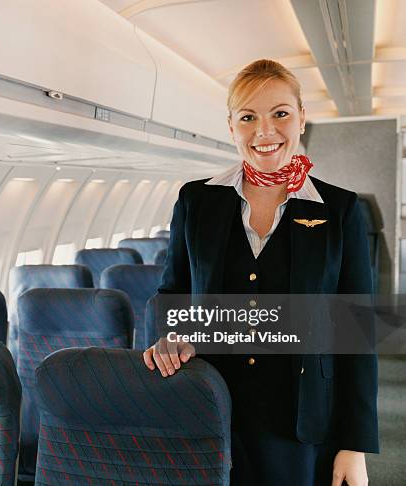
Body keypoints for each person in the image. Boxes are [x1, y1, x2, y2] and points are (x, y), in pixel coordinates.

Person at [143, 59, 378, 486]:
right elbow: (171, 293)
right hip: (211, 412)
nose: (264, 131)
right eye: (248, 117)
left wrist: (354, 443)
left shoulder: (340, 210)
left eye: (280, 113)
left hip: (302, 420)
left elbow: (357, 334)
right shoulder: (197, 202)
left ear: (302, 119)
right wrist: (172, 335)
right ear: (231, 127)